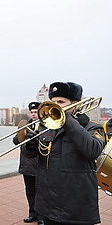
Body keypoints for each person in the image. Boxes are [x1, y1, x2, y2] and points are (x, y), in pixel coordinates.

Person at [23, 82, 106, 224]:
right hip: (47, 205)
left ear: (75, 104)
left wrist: (67, 119)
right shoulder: (46, 127)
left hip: (76, 206)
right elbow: (31, 155)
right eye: (53, 102)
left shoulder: (93, 127)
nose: (56, 105)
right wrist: (29, 146)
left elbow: (93, 150)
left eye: (61, 102)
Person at [13, 102, 43, 224]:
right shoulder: (26, 125)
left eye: (36, 112)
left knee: (41, 193)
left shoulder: (47, 125)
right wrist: (23, 133)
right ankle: (32, 213)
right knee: (30, 192)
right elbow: (15, 141)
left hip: (40, 165)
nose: (34, 114)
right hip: (27, 164)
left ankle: (42, 217)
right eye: (32, 112)